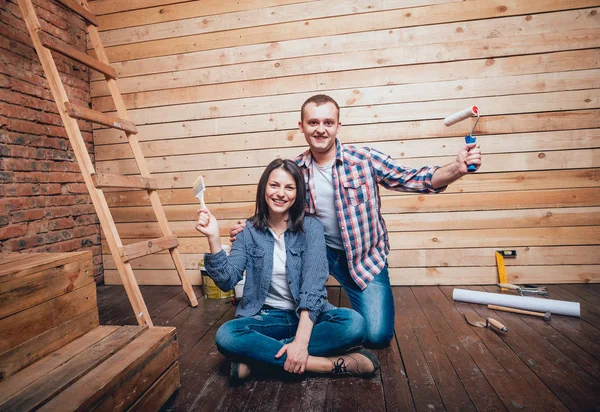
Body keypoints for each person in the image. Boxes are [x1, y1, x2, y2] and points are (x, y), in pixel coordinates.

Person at [231, 95, 482, 348]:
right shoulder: (295, 170)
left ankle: (282, 347)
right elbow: (277, 205)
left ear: (338, 126)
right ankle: (293, 340)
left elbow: (414, 178)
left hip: (364, 256)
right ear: (302, 126)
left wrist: (457, 169)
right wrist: (250, 229)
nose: (321, 129)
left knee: (376, 336)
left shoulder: (364, 159)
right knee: (294, 306)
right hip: (315, 252)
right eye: (313, 122)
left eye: (328, 122)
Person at [195, 158, 379, 385]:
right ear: (264, 188)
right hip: (265, 317)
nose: (281, 193)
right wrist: (213, 237)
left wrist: (301, 344)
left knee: (354, 323)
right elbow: (227, 280)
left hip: (308, 317)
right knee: (227, 335)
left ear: (297, 193)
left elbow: (313, 287)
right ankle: (326, 365)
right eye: (274, 185)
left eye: (289, 187)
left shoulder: (311, 227)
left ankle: (256, 360)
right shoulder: (248, 231)